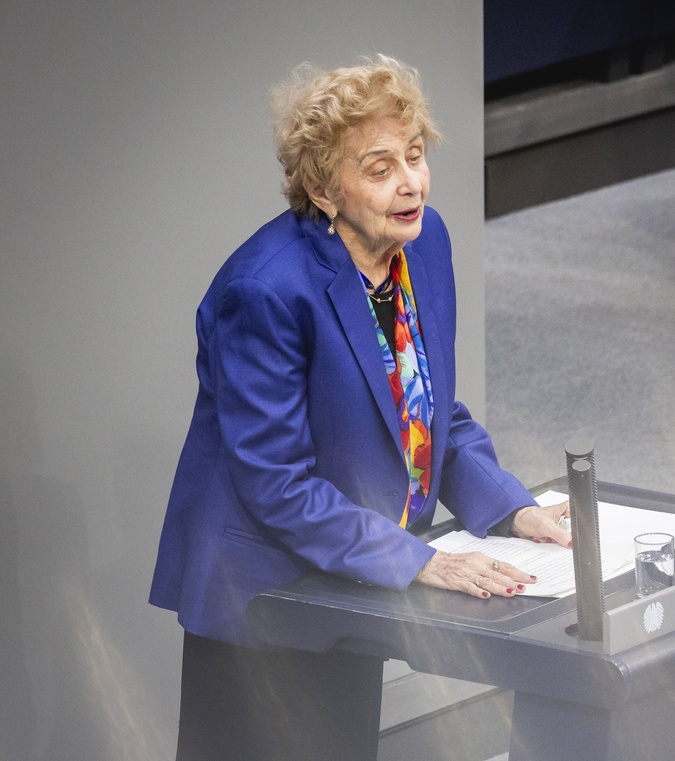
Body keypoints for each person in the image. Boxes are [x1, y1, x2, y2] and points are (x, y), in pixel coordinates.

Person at [148, 54, 570, 761]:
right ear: (323, 189)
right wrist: (418, 560)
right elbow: (277, 485)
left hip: (348, 577)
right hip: (263, 597)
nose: (410, 182)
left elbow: (429, 411)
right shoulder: (265, 291)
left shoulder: (421, 242)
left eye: (415, 155)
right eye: (380, 168)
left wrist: (511, 508)